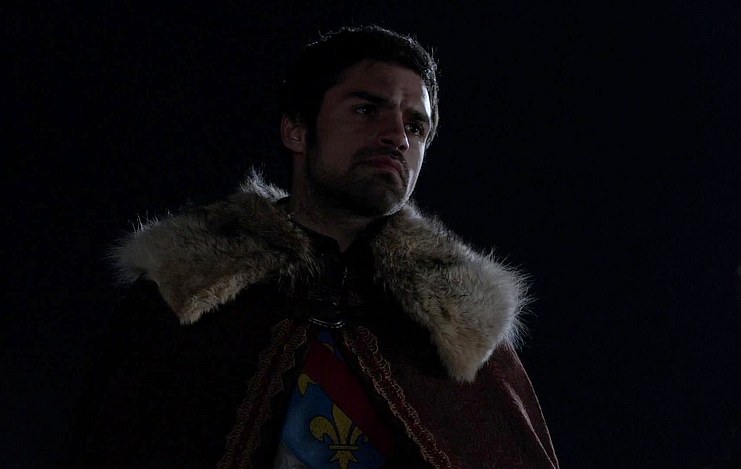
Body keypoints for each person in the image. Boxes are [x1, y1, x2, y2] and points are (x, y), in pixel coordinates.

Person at [67, 25, 558, 468]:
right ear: (297, 130)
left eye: (416, 127)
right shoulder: (189, 293)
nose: (396, 138)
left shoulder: (457, 328)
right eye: (367, 110)